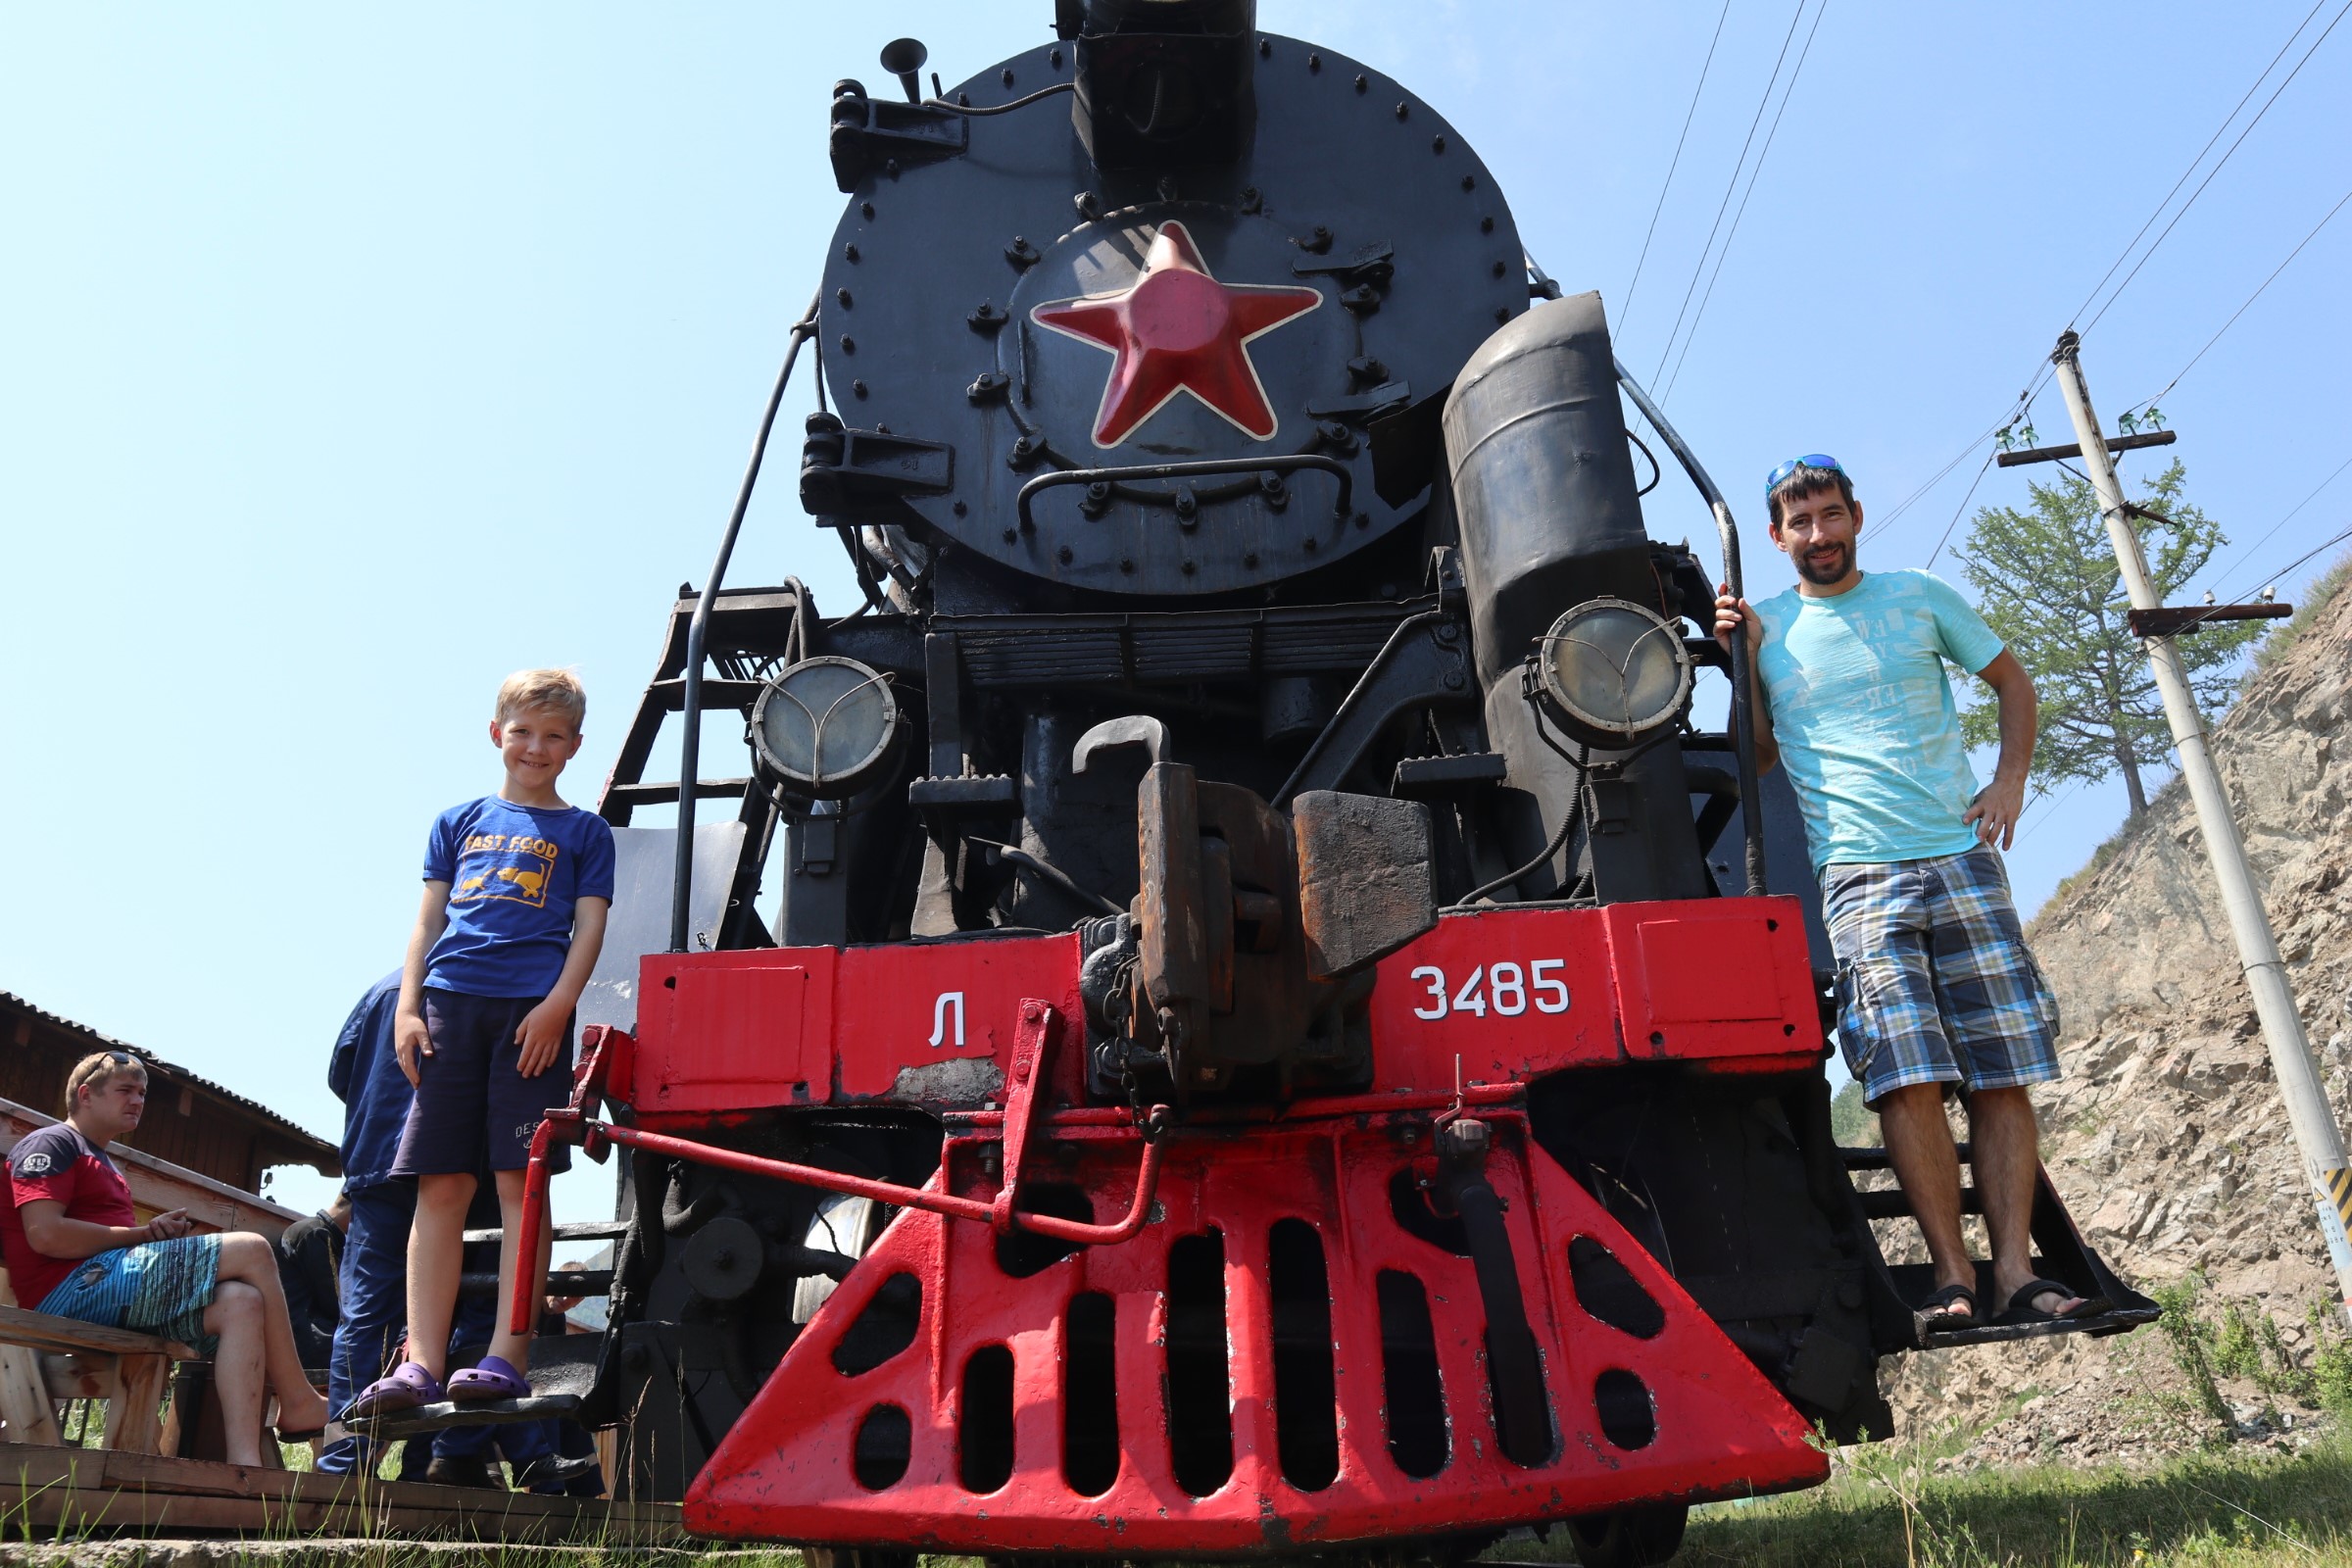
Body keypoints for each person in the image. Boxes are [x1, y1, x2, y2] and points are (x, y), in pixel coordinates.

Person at [1714, 455, 2106, 1332]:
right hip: (1857, 874)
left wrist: (2008, 784)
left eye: (1830, 514)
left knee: (2002, 1071)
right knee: (1905, 1077)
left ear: (1855, 515)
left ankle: (2017, 1273)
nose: (1819, 535)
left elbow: (2012, 683)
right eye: (1800, 523)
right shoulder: (1768, 630)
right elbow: (1758, 759)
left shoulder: (1919, 594)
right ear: (1777, 539)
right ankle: (1953, 1277)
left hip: (1962, 860)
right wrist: (1736, 661)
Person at [349, 669, 613, 1415]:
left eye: (554, 735)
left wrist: (560, 1006)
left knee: (518, 1184)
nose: (537, 746)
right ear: (498, 734)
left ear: (575, 747)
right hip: (448, 1008)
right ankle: (421, 1361)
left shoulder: (585, 832)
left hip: (530, 1015)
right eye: (524, 731)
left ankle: (508, 1352)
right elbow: (427, 923)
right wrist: (408, 1009)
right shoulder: (456, 821)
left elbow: (589, 927)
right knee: (440, 1184)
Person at [1, 1052, 331, 1466]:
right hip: (65, 1293)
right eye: (125, 1090)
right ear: (86, 1095)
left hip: (105, 1283)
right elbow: (45, 1235)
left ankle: (245, 1468)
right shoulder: (52, 1143)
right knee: (253, 1248)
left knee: (240, 1302)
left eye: (141, 1092)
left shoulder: (106, 1163)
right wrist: (142, 1234)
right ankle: (297, 1398)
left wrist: (149, 1236)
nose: (137, 1100)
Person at [276, 1192, 351, 1372]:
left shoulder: (318, 1232)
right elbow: (336, 1304)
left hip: (313, 1336)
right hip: (309, 1340)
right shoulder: (314, 1232)